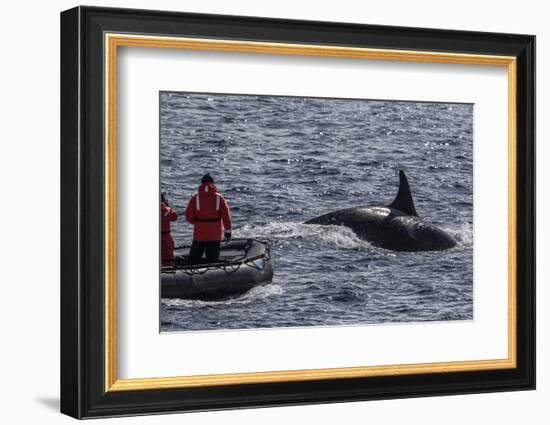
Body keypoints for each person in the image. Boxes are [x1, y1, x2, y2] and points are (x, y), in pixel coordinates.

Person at [185, 174, 232, 264]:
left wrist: (197, 223)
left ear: (201, 183)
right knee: (213, 261)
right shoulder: (220, 198)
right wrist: (227, 232)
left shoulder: (195, 198)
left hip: (199, 234)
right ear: (213, 183)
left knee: (193, 261)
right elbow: (226, 217)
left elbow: (188, 215)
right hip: (214, 235)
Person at [160, 192, 178, 267]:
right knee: (168, 259)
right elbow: (174, 216)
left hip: (164, 235)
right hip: (165, 237)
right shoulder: (166, 209)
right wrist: (166, 205)